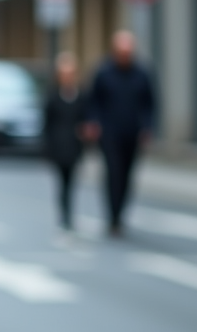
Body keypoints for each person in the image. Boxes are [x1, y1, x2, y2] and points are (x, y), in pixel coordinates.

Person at [87, 30, 155, 236]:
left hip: (132, 133)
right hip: (110, 134)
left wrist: (147, 127)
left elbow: (150, 103)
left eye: (128, 52)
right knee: (113, 173)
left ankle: (121, 213)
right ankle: (113, 216)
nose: (124, 56)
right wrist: (93, 123)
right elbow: (93, 101)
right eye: (121, 52)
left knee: (127, 175)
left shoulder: (142, 73)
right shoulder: (103, 72)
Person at [43, 52, 89, 230]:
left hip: (74, 146)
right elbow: (47, 123)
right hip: (58, 147)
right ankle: (64, 214)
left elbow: (85, 119)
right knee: (61, 182)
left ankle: (69, 213)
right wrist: (47, 149)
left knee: (72, 182)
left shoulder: (81, 96)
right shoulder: (53, 96)